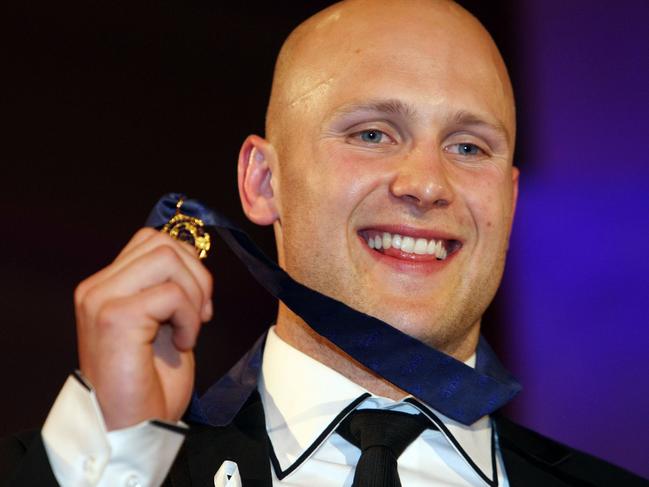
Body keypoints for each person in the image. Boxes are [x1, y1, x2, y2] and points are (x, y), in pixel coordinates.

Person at [1, 0, 646, 486]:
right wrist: (116, 459)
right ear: (263, 182)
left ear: (508, 201)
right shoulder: (99, 466)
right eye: (372, 134)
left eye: (467, 146)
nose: (426, 183)